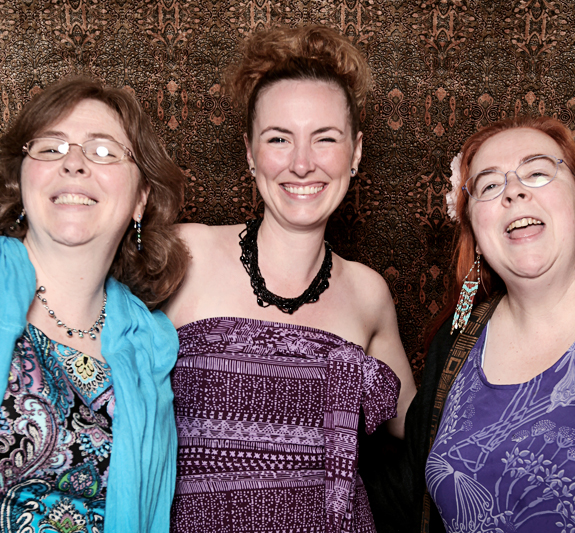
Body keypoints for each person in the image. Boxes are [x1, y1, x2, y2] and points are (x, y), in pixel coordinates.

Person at [0, 35, 189, 532]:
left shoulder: (149, 344)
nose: (74, 162)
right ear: (20, 183)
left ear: (141, 198)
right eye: (51, 148)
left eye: (104, 151)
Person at [371, 115, 575, 533]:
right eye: (489, 185)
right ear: (475, 233)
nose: (514, 191)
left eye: (537, 172)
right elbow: (401, 499)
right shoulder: (453, 343)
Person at [161, 25, 416, 532]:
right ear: (250, 152)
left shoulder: (368, 292)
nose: (302, 164)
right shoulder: (186, 254)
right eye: (279, 139)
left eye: (325, 139)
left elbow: (429, 430)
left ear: (355, 153)